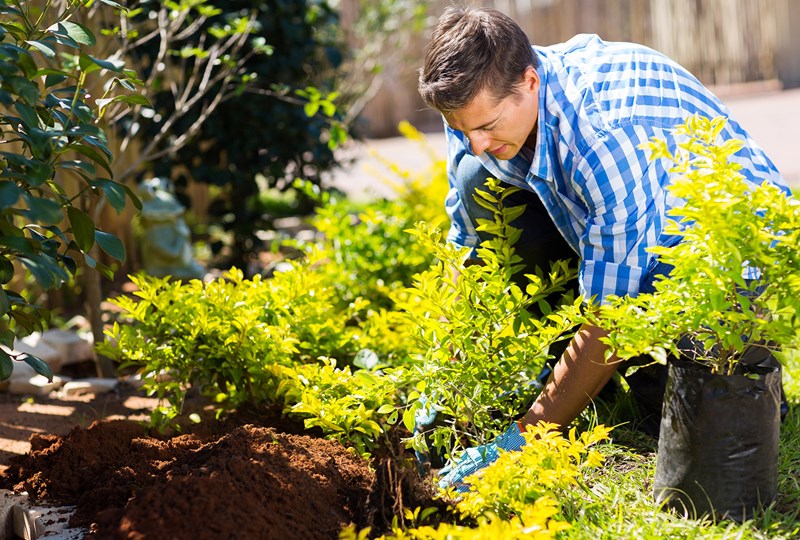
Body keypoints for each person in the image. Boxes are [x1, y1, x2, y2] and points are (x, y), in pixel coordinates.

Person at [417, 6, 790, 491]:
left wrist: (523, 440)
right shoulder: (474, 106)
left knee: (685, 413)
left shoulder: (604, 134)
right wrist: (444, 376)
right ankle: (572, 379)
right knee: (477, 179)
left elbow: (612, 315)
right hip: (623, 242)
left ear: (529, 81)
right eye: (462, 128)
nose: (476, 141)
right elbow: (465, 244)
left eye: (486, 126)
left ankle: (742, 382)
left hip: (716, 261)